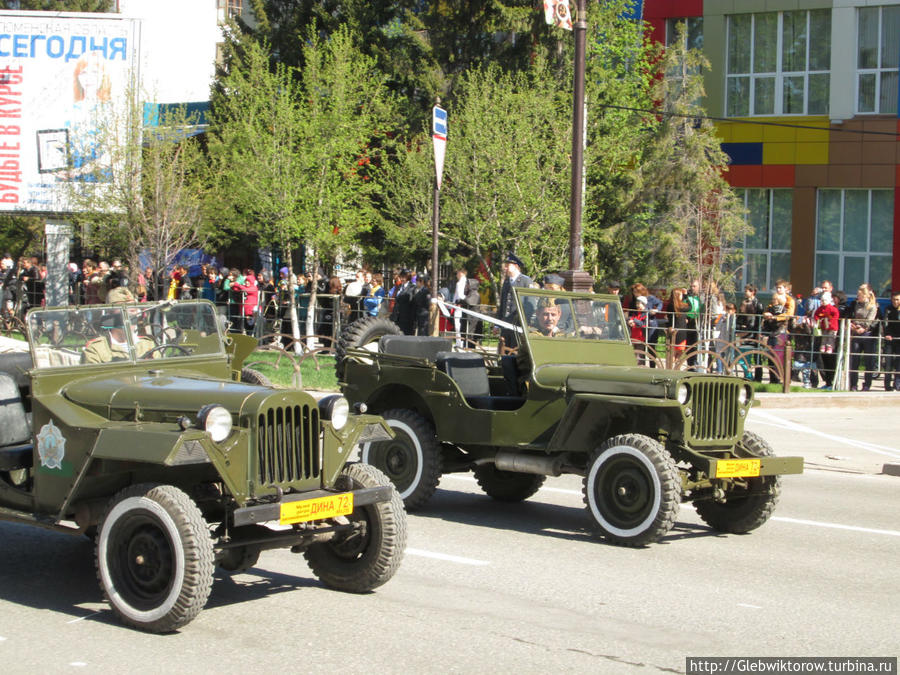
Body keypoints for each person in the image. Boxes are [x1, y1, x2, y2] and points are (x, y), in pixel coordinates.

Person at [83, 311, 154, 363]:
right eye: (126, 315)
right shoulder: (95, 350)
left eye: (133, 315)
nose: (130, 321)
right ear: (110, 319)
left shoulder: (148, 345)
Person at [761, 280, 795, 384]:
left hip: (784, 330)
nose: (778, 290)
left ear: (786, 289)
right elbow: (767, 311)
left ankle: (784, 378)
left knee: (782, 356)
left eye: (780, 288)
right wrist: (766, 315)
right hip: (772, 330)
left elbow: (789, 314)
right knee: (771, 355)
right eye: (777, 288)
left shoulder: (790, 300)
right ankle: (773, 379)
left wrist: (775, 318)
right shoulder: (774, 300)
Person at [846, 284, 878, 391]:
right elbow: (853, 316)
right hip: (856, 333)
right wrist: (854, 326)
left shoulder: (872, 306)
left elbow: (870, 320)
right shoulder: (856, 305)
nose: (857, 297)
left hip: (867, 335)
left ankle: (867, 384)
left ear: (865, 296)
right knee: (854, 360)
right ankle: (853, 384)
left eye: (859, 295)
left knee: (868, 361)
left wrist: (863, 327)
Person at [498, 254, 532, 349]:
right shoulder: (507, 281)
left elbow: (530, 305)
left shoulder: (526, 281)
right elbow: (503, 305)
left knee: (515, 350)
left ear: (516, 266)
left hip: (518, 324)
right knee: (503, 350)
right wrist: (497, 323)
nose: (505, 268)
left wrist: (526, 323)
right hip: (505, 324)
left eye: (508, 265)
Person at [453, 267, 481, 346]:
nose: (466, 286)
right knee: (465, 334)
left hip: (472, 320)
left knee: (470, 337)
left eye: (468, 285)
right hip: (467, 319)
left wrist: (460, 301)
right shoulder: (470, 293)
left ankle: (469, 348)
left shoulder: (475, 294)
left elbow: (468, 301)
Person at [883, 290, 900, 392]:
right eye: (893, 299)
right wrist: (886, 334)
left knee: (899, 363)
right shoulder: (888, 309)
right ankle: (887, 385)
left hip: (899, 339)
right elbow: (885, 323)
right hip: (890, 339)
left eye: (898, 300)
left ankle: (897, 384)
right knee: (888, 363)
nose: (895, 302)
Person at [390, 270, 416, 335]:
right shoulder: (399, 286)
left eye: (404, 277)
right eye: (401, 277)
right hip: (397, 317)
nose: (402, 279)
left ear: (408, 278)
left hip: (407, 318)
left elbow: (413, 303)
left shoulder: (412, 287)